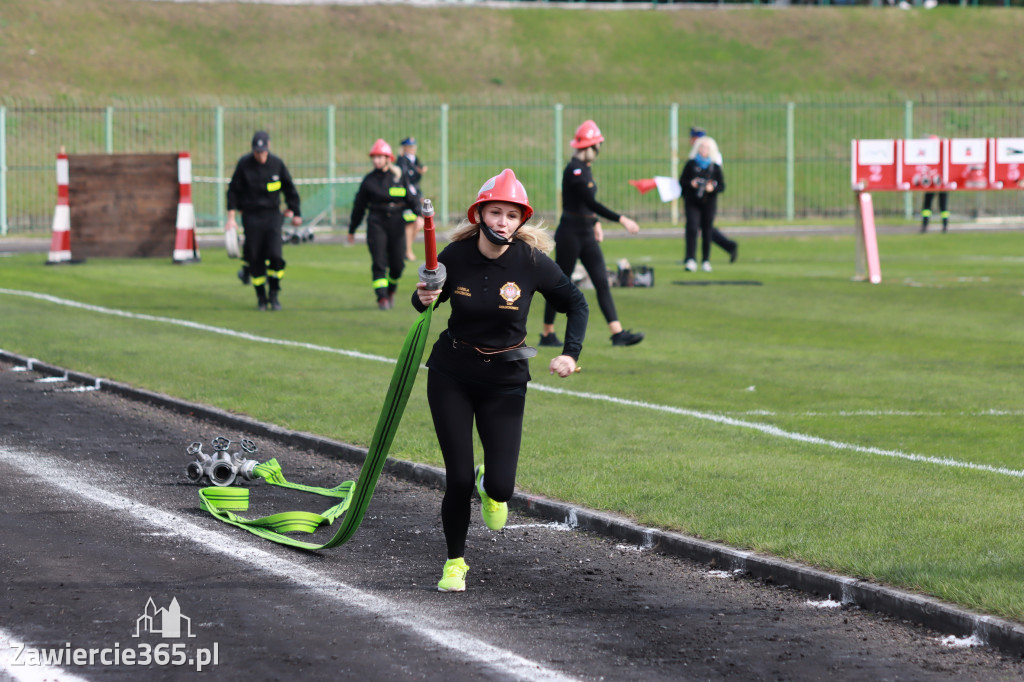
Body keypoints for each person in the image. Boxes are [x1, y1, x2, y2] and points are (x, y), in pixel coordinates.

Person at [412, 169, 588, 593]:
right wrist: (423, 298)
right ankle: (455, 562)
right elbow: (423, 308)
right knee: (455, 477)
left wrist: (570, 353)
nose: (504, 221)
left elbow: (576, 303)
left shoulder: (531, 263)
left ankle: (489, 487)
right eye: (496, 212)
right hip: (452, 373)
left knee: (503, 487)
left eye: (512, 214)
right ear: (480, 214)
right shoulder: (453, 256)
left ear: (520, 220)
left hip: (506, 380)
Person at [540, 120, 644, 348]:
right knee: (559, 283)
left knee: (602, 283)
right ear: (589, 147)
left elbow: (585, 206)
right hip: (570, 234)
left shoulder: (585, 169)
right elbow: (589, 202)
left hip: (586, 233)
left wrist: (595, 223)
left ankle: (617, 333)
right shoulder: (575, 169)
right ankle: (547, 333)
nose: (598, 151)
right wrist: (622, 219)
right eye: (597, 146)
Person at [225, 130, 302, 311]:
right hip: (251, 217)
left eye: (263, 152)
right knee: (254, 258)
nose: (260, 155)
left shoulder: (277, 164)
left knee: (276, 256)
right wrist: (231, 218)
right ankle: (261, 297)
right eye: (257, 152)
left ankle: (274, 293)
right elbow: (233, 191)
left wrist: (296, 212)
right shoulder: (244, 165)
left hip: (273, 215)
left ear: (268, 148)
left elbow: (289, 189)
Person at [348, 139, 422, 310]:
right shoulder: (369, 180)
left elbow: (411, 198)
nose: (376, 160)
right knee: (379, 262)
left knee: (398, 264)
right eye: (374, 157)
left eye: (380, 157)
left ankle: (390, 290)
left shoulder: (399, 176)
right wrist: (352, 229)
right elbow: (359, 207)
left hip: (397, 222)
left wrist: (419, 214)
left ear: (388, 158)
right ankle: (381, 298)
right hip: (376, 222)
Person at [686, 126, 738, 269]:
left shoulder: (714, 162)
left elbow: (719, 181)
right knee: (695, 226)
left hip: (708, 200)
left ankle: (718, 252)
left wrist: (712, 187)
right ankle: (690, 258)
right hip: (694, 199)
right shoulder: (692, 163)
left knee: (706, 228)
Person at [396, 137, 428, 261]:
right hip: (407, 197)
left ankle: (406, 249)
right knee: (410, 223)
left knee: (416, 224)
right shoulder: (402, 161)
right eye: (409, 147)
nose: (412, 150)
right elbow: (407, 179)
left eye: (413, 147)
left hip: (415, 195)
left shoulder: (414, 160)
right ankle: (407, 251)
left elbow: (415, 181)